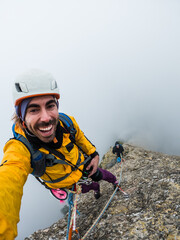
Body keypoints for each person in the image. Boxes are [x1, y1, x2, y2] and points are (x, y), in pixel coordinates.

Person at [0, 69, 118, 239]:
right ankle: (96, 189)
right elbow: (8, 177)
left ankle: (115, 182)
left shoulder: (66, 122)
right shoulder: (20, 148)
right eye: (34, 110)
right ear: (21, 116)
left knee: (101, 175)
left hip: (83, 168)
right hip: (66, 185)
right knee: (88, 187)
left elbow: (80, 138)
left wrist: (94, 154)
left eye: (50, 106)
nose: (46, 118)